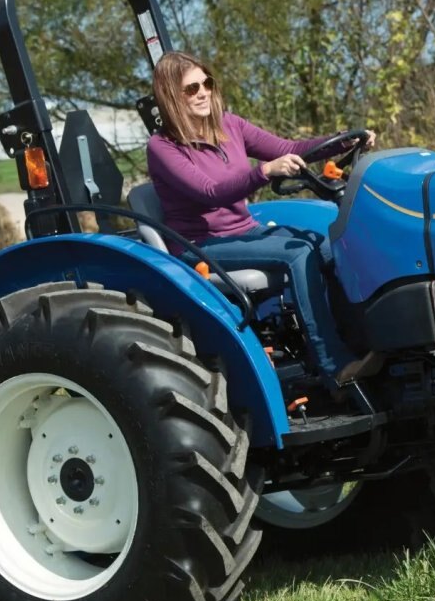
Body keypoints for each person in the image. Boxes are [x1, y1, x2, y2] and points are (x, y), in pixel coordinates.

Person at [146, 50, 378, 387]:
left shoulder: (230, 125)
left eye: (206, 84)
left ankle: (363, 346)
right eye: (191, 89)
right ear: (171, 96)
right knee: (298, 252)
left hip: (245, 231)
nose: (202, 93)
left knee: (328, 244)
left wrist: (343, 141)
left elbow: (291, 146)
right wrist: (265, 172)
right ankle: (335, 366)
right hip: (201, 246)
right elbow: (209, 192)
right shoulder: (163, 147)